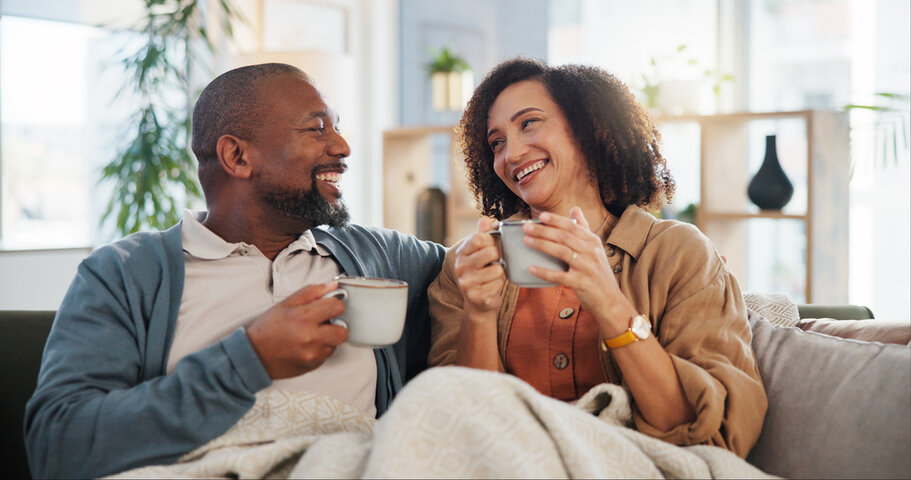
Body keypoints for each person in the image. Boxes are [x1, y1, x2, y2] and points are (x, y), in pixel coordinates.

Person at [24, 63, 446, 479]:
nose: (342, 146)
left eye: (336, 127)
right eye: (317, 129)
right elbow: (59, 446)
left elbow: (486, 264)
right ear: (237, 156)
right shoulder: (125, 274)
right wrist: (250, 358)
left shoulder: (379, 256)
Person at [427, 58, 766, 457]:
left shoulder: (678, 253)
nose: (512, 153)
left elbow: (708, 433)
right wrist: (479, 315)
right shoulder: (466, 268)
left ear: (590, 129)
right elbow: (464, 432)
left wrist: (608, 300)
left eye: (529, 123)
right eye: (496, 142)